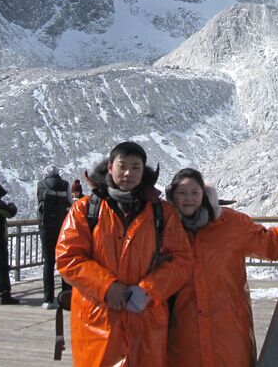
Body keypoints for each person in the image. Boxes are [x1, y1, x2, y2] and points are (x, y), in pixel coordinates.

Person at [165, 167, 278, 367]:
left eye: (195, 192)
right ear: (173, 195)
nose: (189, 198)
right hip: (182, 339)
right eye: (182, 192)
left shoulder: (231, 224)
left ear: (204, 194)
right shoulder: (163, 228)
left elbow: (271, 242)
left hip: (229, 335)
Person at [55, 141, 193, 367]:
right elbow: (67, 257)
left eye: (135, 167)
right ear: (110, 167)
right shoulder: (85, 209)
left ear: (143, 170)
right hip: (98, 322)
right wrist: (106, 287)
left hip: (146, 320)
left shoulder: (162, 212)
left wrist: (148, 290)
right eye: (123, 166)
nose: (128, 173)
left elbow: (181, 260)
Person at [37, 164, 72, 309]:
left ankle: (48, 300)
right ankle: (66, 297)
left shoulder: (40, 184)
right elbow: (70, 203)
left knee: (48, 262)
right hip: (62, 227)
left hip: (45, 227)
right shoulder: (65, 184)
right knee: (64, 260)